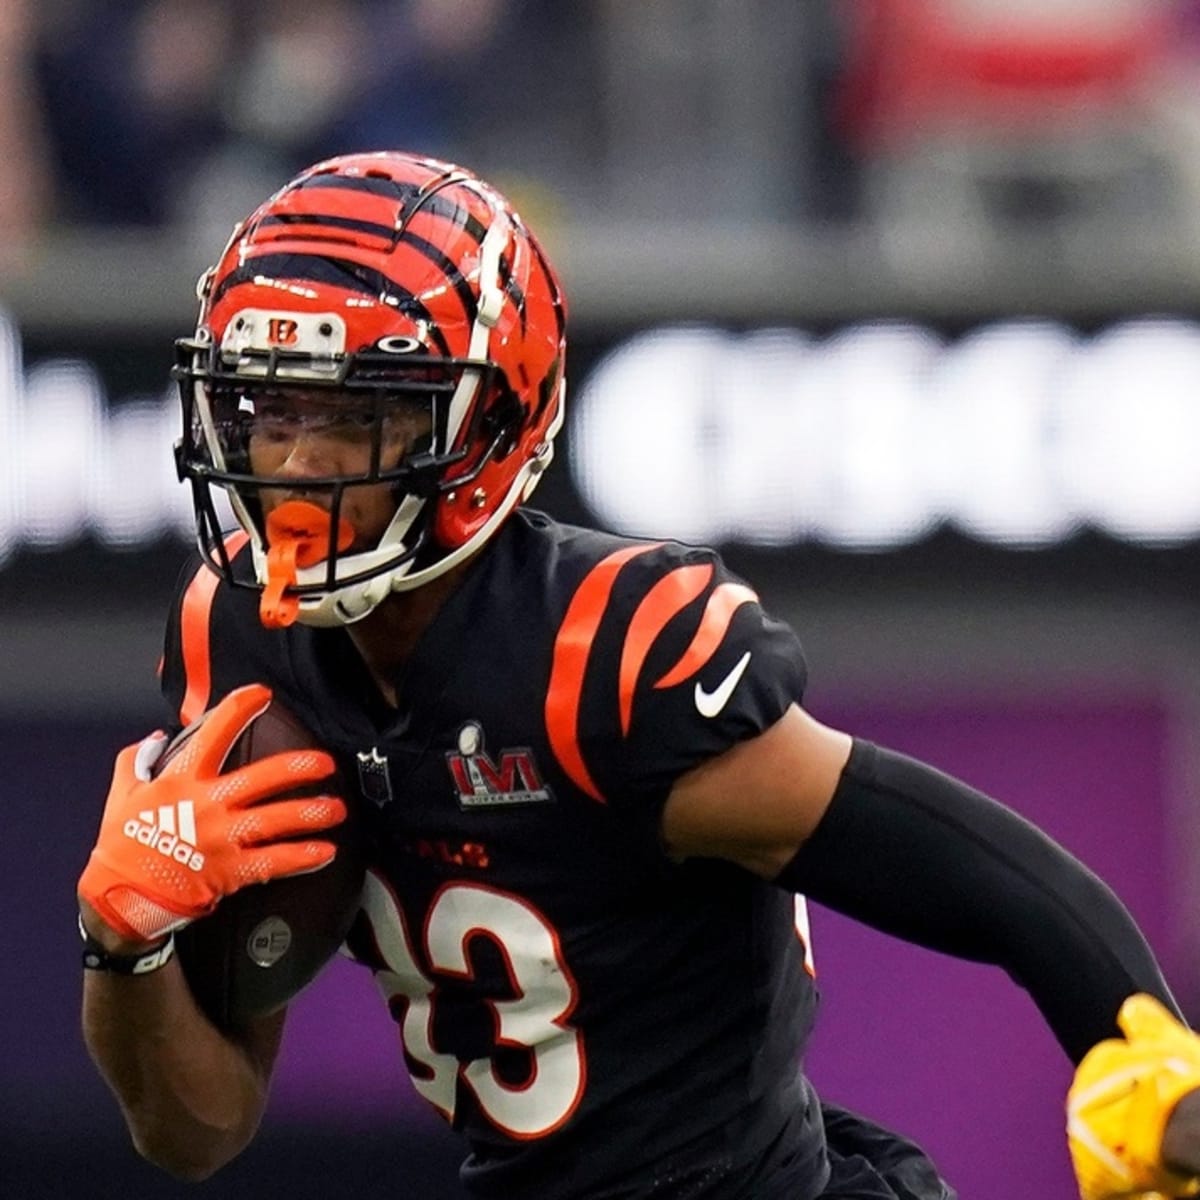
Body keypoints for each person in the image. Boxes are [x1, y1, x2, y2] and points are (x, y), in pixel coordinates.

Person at [74, 150, 1200, 1200]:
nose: (300, 462)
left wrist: (1141, 1044)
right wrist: (123, 943)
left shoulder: (595, 654)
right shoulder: (237, 645)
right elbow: (196, 1129)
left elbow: (970, 864)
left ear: (486, 424)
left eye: (359, 413)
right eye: (271, 408)